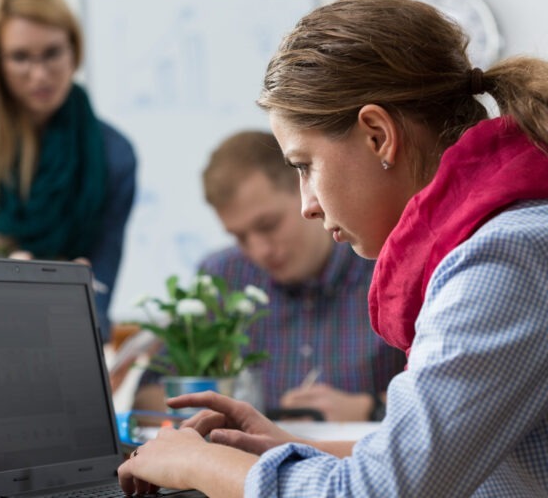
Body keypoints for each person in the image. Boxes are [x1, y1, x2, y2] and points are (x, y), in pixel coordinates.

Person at [117, 0, 548, 496]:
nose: (308, 205)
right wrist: (286, 447)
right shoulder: (495, 242)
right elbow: (429, 469)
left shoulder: (500, 258)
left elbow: (375, 491)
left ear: (377, 135)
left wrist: (198, 465)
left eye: (305, 166)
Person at [133, 130, 404, 420]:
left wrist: (369, 408)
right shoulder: (223, 275)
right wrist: (217, 407)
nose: (258, 250)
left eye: (268, 225)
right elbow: (147, 398)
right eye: (239, 237)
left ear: (308, 191)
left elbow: (445, 396)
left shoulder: (386, 262)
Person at [0, 0, 137, 342]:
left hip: (64, 352)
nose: (40, 75)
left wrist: (75, 299)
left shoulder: (114, 156)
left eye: (52, 53)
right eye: (20, 57)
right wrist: (5, 294)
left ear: (75, 49)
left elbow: (100, 304)